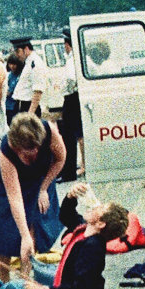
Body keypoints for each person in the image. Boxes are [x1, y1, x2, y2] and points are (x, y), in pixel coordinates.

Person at [0, 200, 128, 289]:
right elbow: (66, 215)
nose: (95, 205)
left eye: (100, 208)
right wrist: (71, 196)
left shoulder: (93, 249)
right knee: (12, 286)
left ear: (101, 223)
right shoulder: (83, 229)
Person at [0, 112, 67, 273]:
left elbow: (60, 159)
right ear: (17, 146)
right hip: (6, 184)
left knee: (34, 224)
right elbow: (15, 198)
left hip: (39, 178)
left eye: (37, 147)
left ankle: (25, 278)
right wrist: (23, 235)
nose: (35, 152)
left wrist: (44, 188)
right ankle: (4, 278)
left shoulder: (48, 130)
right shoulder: (7, 150)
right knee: (3, 228)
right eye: (29, 150)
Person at [55, 29, 84, 180]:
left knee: (68, 136)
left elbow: (72, 78)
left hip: (72, 98)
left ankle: (69, 171)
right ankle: (67, 169)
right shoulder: (72, 58)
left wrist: (67, 88)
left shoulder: (73, 59)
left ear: (68, 44)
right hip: (72, 98)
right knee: (68, 135)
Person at [9, 35, 45, 118]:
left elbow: (38, 91)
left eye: (18, 51)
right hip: (21, 105)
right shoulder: (28, 62)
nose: (17, 55)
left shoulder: (35, 63)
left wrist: (30, 115)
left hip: (28, 106)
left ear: (26, 49)